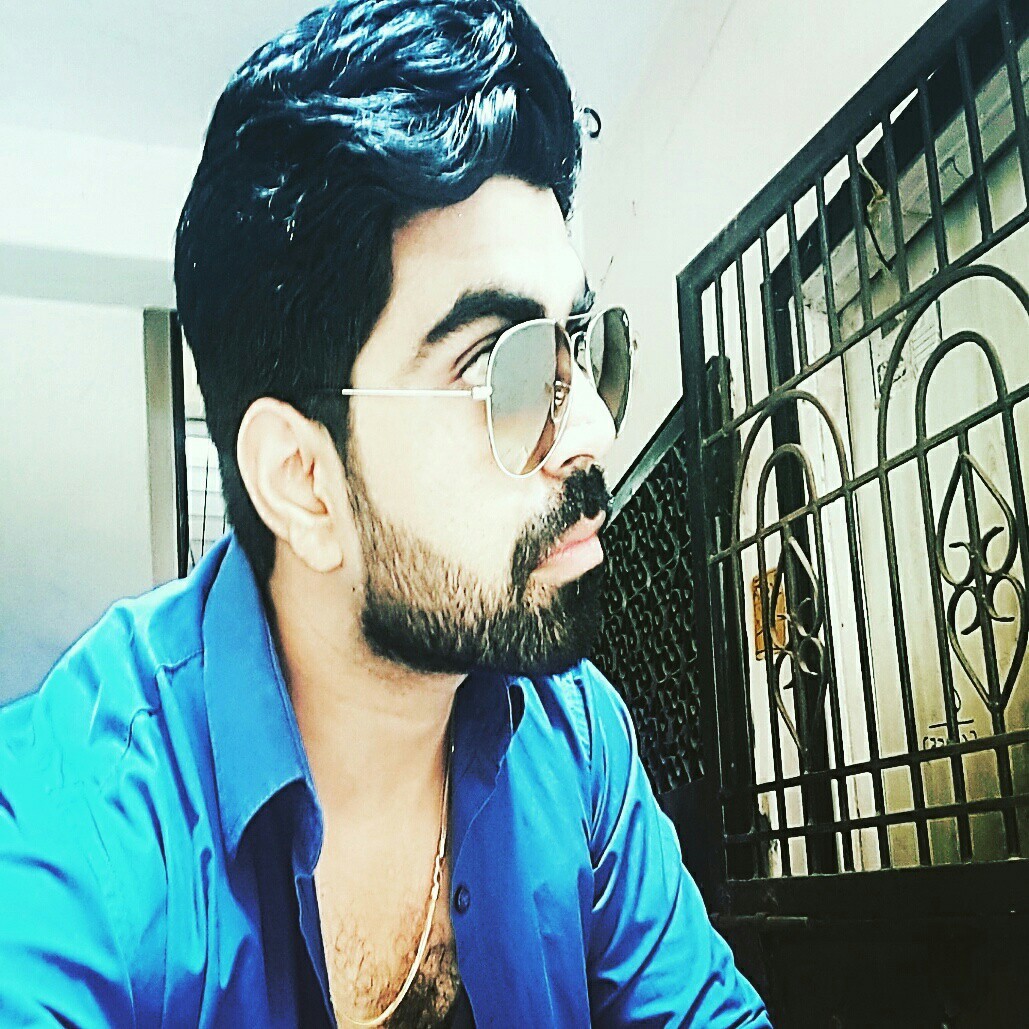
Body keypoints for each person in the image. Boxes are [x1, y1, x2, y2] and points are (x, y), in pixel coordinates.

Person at [0, 1, 771, 1025]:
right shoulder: (84, 826)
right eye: (504, 371)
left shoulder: (573, 734)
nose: (592, 432)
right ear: (301, 481)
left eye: (578, 345)